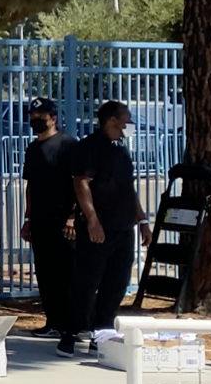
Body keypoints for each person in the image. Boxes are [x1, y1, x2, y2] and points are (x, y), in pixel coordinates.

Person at [64, 100, 153, 356]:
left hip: (123, 227)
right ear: (112, 120)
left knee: (116, 282)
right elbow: (82, 184)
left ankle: (101, 332)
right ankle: (70, 332)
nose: (130, 122)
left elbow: (128, 188)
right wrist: (92, 220)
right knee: (87, 280)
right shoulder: (89, 148)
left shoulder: (121, 150)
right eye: (127, 117)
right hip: (98, 228)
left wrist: (142, 221)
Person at [19, 97, 77, 338]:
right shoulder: (33, 149)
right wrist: (28, 219)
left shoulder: (68, 146)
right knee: (46, 274)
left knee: (68, 274)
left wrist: (73, 217)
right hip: (41, 221)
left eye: (40, 117)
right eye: (32, 118)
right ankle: (53, 322)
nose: (35, 121)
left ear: (53, 118)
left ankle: (73, 325)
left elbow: (79, 184)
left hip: (65, 222)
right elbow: (30, 186)